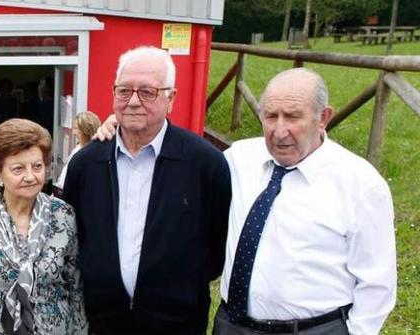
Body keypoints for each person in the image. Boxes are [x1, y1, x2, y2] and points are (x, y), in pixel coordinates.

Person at [214, 68, 397, 335]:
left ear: (323, 118)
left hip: (314, 329)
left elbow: (377, 282)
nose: (279, 131)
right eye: (270, 116)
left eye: (292, 117)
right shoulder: (239, 159)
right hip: (232, 325)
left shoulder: (360, 184)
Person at [62, 46, 231, 334]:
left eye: (148, 92)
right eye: (124, 91)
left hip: (175, 325)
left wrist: (176, 292)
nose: (133, 101)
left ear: (171, 98)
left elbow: (217, 247)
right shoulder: (86, 164)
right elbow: (76, 236)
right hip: (102, 323)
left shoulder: (205, 164)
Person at [0, 118, 86, 334]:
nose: (30, 176)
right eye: (18, 168)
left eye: (37, 166)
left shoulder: (63, 215)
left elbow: (75, 287)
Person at [53, 111, 101, 190]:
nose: (73, 132)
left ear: (86, 130)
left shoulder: (95, 154)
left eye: (76, 128)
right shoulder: (78, 148)